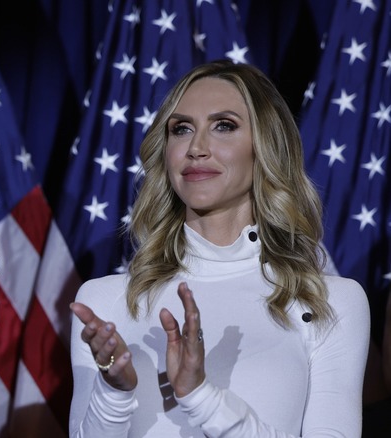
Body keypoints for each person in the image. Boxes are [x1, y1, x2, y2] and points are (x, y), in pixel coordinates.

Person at [69, 60, 370, 437]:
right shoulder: (106, 300)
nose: (196, 147)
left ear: (264, 147)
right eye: (181, 129)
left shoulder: (329, 301)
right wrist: (115, 392)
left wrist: (202, 398)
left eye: (223, 126)